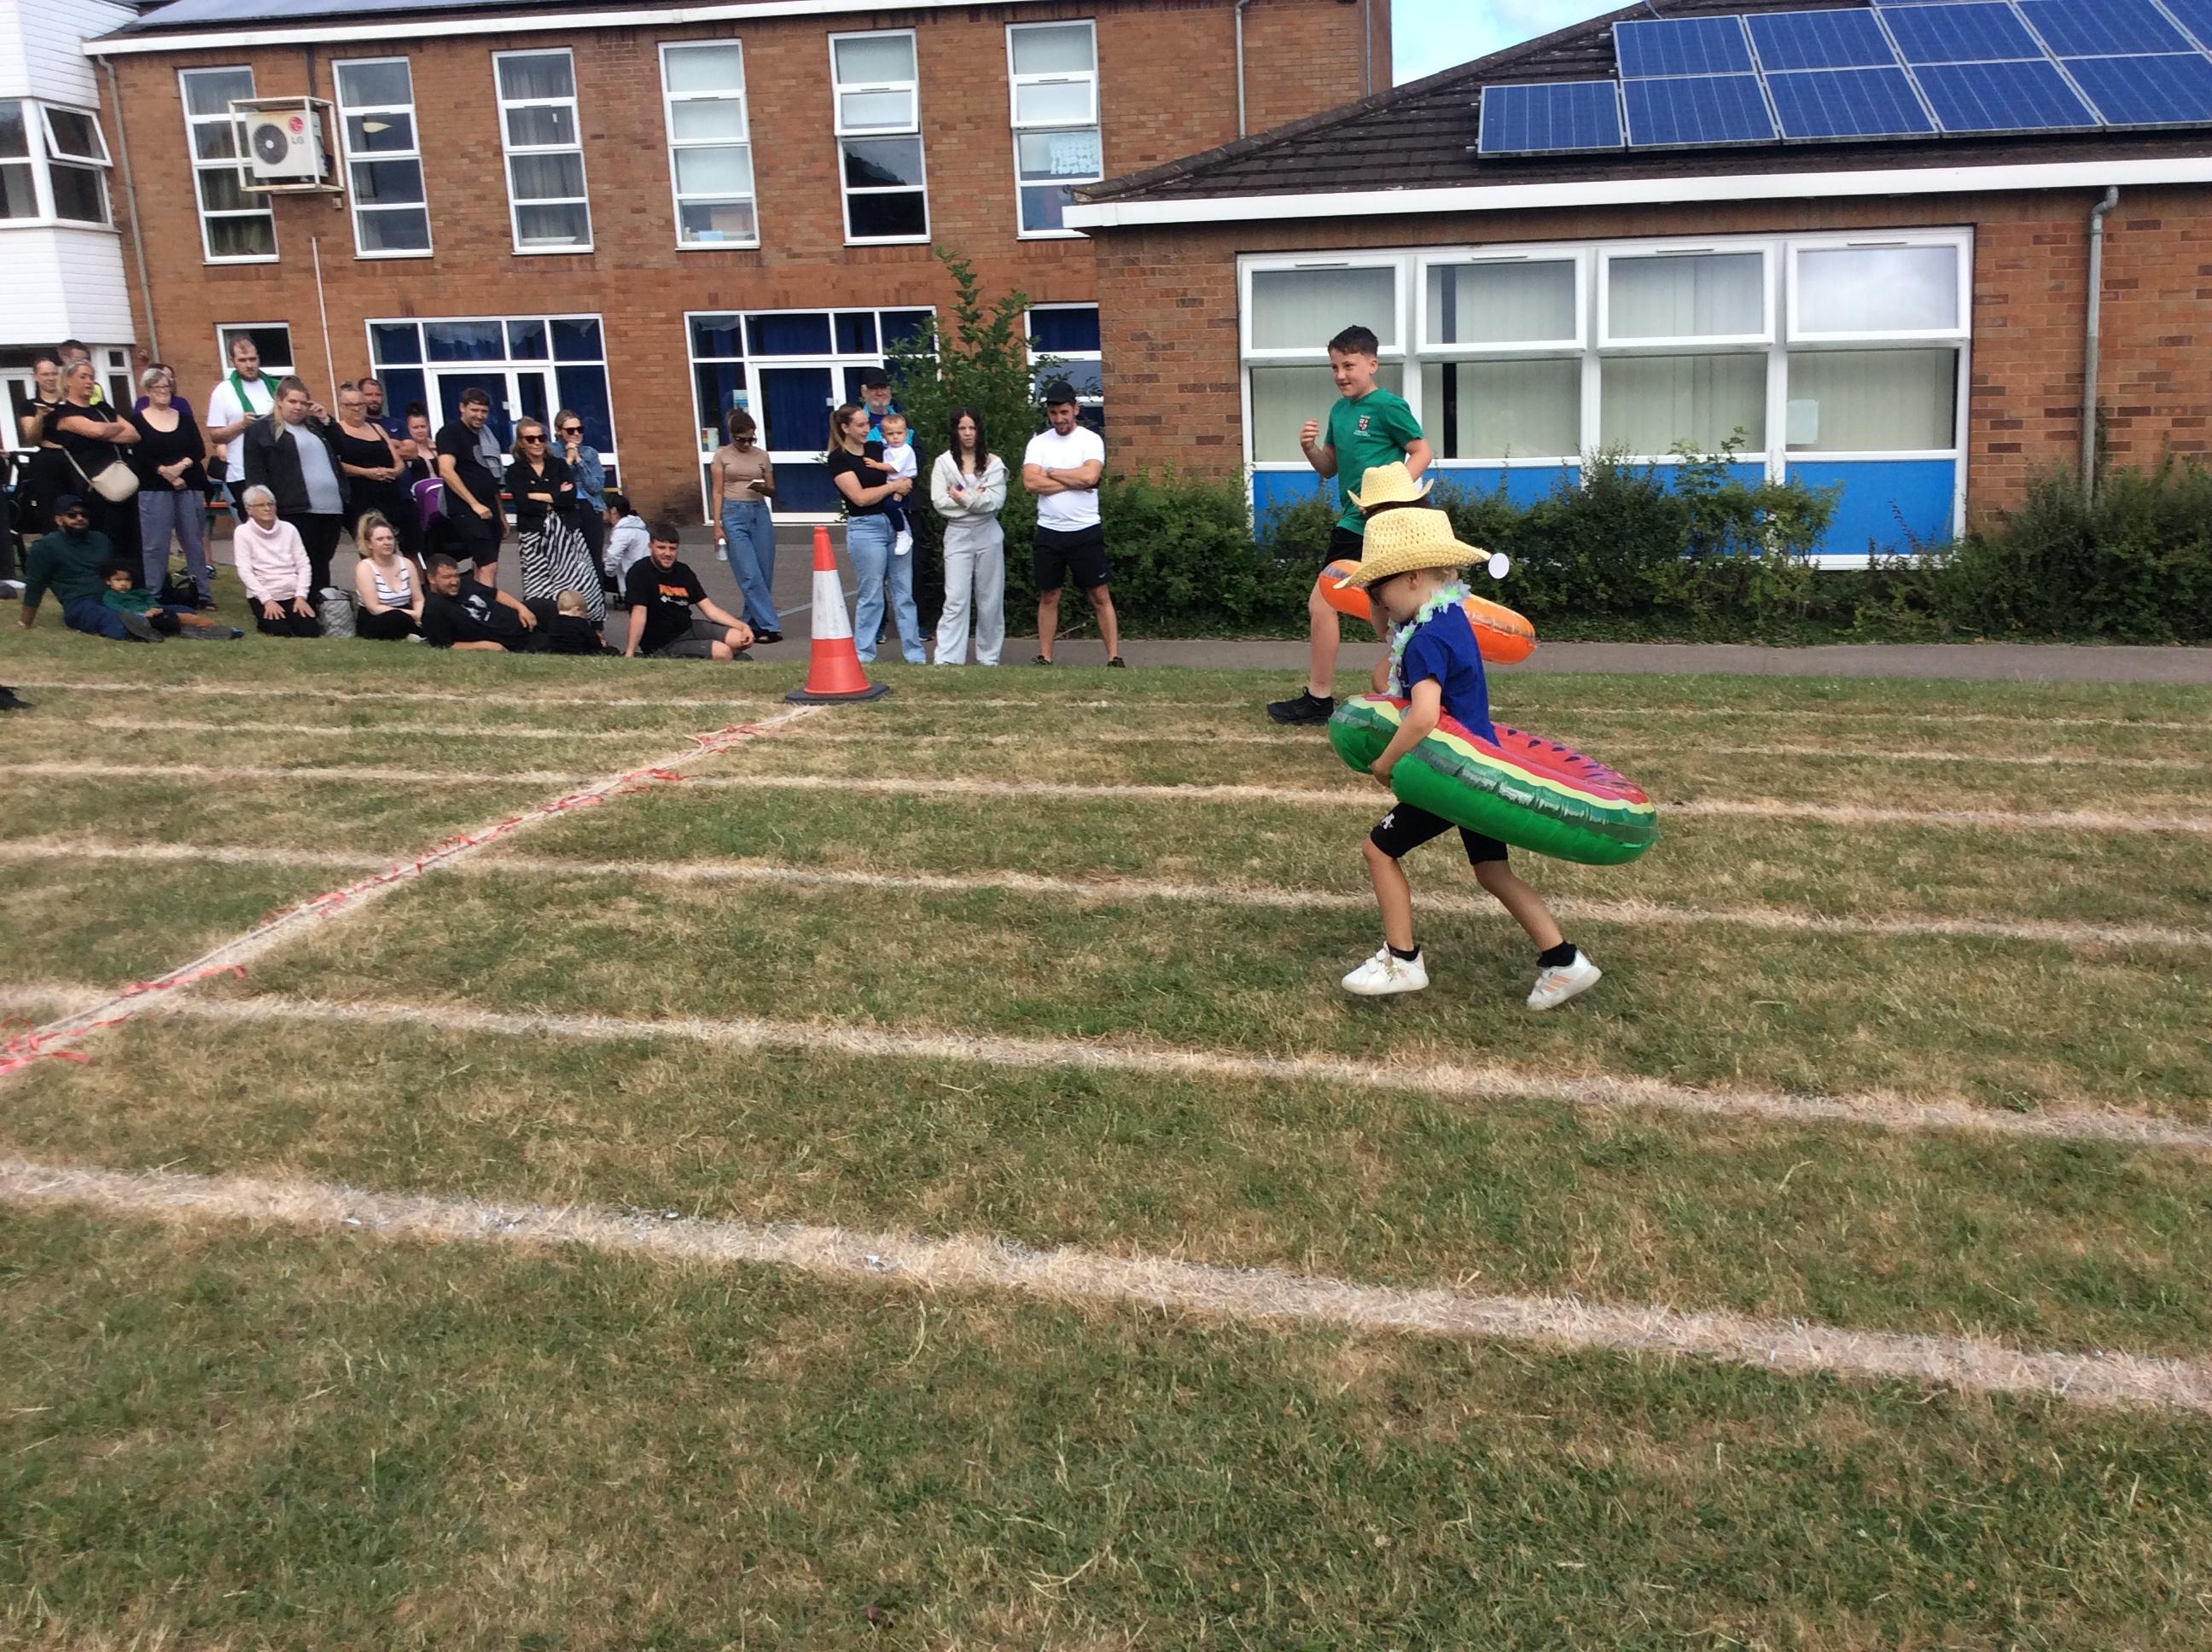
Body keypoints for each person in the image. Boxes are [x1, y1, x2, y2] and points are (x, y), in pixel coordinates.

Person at [1336, 497, 1599, 1010]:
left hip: (1451, 772)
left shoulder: (1424, 640)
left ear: (1413, 577)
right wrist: (1380, 605)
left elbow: (1423, 716)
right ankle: (1563, 960)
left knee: (1379, 850)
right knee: (1492, 871)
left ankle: (1402, 959)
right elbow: (1388, 650)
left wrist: (1385, 764)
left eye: (1380, 587)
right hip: (1483, 766)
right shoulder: (1447, 617)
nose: (1377, 600)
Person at [1268, 323, 1433, 726]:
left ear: (1372, 364)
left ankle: (1415, 688)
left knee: (1400, 609)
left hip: (1387, 523)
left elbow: (1422, 452)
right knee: (1331, 604)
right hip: (1352, 525)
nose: (1340, 375)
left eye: (1349, 366)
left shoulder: (1388, 406)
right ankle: (1324, 698)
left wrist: (1390, 493)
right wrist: (1308, 448)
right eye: (1334, 367)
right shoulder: (1338, 412)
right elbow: (1329, 468)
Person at [1022, 381, 1121, 667]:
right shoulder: (1038, 443)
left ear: (1075, 409)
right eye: (1053, 413)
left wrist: (1051, 473)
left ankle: (1114, 657)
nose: (1059, 418)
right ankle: (1045, 656)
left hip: (1085, 529)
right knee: (1049, 594)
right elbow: (1030, 483)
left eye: (1064, 412)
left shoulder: (1091, 440)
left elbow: (1090, 477)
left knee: (1099, 593)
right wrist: (1073, 481)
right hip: (1049, 531)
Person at [824, 402, 920, 665]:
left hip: (896, 521)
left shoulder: (878, 449)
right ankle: (863, 654)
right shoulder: (839, 458)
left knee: (904, 593)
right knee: (871, 594)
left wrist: (903, 484)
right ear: (845, 428)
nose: (867, 429)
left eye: (867, 423)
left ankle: (915, 655)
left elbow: (905, 473)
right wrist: (893, 488)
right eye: (861, 425)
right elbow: (859, 498)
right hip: (866, 527)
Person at [240, 377, 347, 594]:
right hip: (295, 507)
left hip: (331, 507)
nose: (299, 407)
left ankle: (323, 601)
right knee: (302, 559)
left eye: (303, 403)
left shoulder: (316, 426)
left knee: (323, 559)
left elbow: (343, 447)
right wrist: (263, 507)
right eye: (293, 401)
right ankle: (302, 601)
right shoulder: (261, 430)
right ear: (279, 401)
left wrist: (327, 420)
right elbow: (255, 472)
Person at [17, 495, 160, 640]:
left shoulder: (101, 540)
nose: (80, 518)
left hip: (114, 597)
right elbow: (35, 585)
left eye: (84, 514)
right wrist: (25, 622)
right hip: (80, 603)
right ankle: (147, 625)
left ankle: (153, 622)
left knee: (160, 610)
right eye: (72, 515)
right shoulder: (45, 546)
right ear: (59, 520)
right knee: (108, 617)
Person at [45, 360, 143, 572]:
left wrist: (104, 431)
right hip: (95, 490)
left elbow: (134, 434)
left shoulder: (102, 408)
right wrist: (111, 430)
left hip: (123, 482)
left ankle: (134, 584)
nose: (89, 381)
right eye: (83, 377)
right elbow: (96, 431)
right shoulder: (61, 414)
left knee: (132, 540)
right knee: (105, 541)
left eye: (91, 377)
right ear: (68, 381)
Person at [126, 365, 211, 604]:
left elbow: (198, 449)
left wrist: (181, 467)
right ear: (147, 391)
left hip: (188, 484)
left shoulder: (184, 418)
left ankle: (202, 594)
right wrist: (165, 472)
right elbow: (139, 454)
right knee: (155, 545)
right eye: (158, 387)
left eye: (167, 386)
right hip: (154, 488)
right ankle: (154, 594)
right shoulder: (137, 421)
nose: (164, 391)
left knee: (193, 542)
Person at [930, 407, 1006, 666]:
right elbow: (940, 502)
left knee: (990, 599)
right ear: (955, 431)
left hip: (988, 532)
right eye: (962, 428)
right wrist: (976, 498)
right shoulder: (944, 463)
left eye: (972, 428)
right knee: (955, 598)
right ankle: (948, 658)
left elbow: (995, 502)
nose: (967, 433)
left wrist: (963, 497)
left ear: (979, 430)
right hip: (957, 533)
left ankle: (989, 657)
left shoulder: (994, 464)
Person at [509, 417, 602, 623]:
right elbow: (523, 503)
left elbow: (569, 498)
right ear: (521, 443)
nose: (537, 443)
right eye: (530, 439)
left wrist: (537, 495)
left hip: (566, 532)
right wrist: (554, 496)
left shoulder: (558, 465)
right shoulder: (515, 471)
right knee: (538, 585)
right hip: (534, 536)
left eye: (541, 438)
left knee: (582, 580)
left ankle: (590, 626)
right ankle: (544, 627)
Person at [622, 521, 754, 660]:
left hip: (688, 628)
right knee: (722, 652)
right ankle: (724, 659)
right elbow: (638, 613)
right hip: (664, 642)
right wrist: (630, 653)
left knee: (741, 639)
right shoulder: (640, 571)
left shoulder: (683, 571)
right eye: (661, 548)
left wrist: (743, 626)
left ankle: (729, 659)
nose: (667, 553)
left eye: (672, 549)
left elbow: (710, 610)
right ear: (650, 547)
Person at [709, 408, 780, 641]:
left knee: (763, 571)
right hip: (732, 512)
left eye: (752, 439)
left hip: (759, 511)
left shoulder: (762, 456)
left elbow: (772, 489)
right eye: (742, 440)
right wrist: (717, 524)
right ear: (732, 435)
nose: (747, 444)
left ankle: (751, 623)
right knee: (748, 573)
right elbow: (717, 491)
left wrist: (763, 488)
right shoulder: (722, 455)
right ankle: (770, 626)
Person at [333, 382, 418, 561]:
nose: (357, 409)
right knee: (370, 548)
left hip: (390, 494)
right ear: (341, 407)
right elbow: (335, 464)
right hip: (360, 497)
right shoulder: (336, 431)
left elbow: (397, 459)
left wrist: (395, 471)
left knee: (406, 545)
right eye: (351, 405)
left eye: (360, 404)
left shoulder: (377, 428)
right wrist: (366, 472)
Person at [435, 387, 505, 587]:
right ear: (462, 407)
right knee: (488, 564)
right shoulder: (450, 433)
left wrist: (501, 515)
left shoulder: (487, 436)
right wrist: (474, 504)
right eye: (475, 410)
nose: (480, 416)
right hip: (466, 509)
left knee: (484, 564)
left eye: (484, 411)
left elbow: (492, 478)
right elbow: (446, 471)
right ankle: (487, 605)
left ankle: (479, 600)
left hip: (490, 507)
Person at [232, 484, 323, 637]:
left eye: (270, 504)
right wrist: (266, 600)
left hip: (292, 593)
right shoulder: (242, 532)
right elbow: (245, 571)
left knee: (309, 631)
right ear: (249, 509)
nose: (267, 508)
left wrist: (301, 596)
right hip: (264, 594)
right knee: (280, 631)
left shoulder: (289, 529)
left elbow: (303, 564)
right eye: (261, 505)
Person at [419, 553, 556, 651]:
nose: (454, 582)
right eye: (447, 577)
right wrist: (483, 646)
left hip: (520, 616)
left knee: (551, 606)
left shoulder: (465, 583)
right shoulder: (434, 609)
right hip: (515, 638)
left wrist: (521, 608)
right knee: (560, 637)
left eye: (456, 576)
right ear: (432, 579)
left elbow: (495, 594)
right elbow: (444, 645)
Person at [203, 333, 278, 510]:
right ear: (233, 361)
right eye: (243, 360)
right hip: (242, 471)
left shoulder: (275, 386)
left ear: (259, 358)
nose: (249, 365)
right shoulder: (223, 391)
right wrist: (242, 425)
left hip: (277, 467)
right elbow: (215, 436)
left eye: (253, 359)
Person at [97, 559, 237, 638]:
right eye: (118, 580)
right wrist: (141, 614)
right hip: (138, 618)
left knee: (187, 616)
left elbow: (151, 602)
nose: (123, 583)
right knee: (132, 620)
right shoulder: (110, 596)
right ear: (108, 581)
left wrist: (154, 609)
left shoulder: (140, 593)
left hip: (157, 614)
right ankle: (151, 633)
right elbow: (117, 608)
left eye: (127, 580)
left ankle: (218, 630)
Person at [15, 354, 67, 540]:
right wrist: (39, 417)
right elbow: (32, 439)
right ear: (35, 377)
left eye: (54, 373)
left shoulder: (69, 402)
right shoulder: (29, 406)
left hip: (75, 460)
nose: (51, 378)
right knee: (50, 510)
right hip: (48, 464)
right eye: (45, 374)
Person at [352, 510, 423, 640]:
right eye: (380, 539)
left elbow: (418, 599)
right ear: (369, 544)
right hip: (377, 618)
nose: (387, 542)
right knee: (396, 617)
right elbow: (373, 607)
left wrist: (419, 613)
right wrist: (413, 614)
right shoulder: (364, 568)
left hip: (408, 614)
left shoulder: (407, 564)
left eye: (390, 538)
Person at [554, 409, 608, 567]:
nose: (576, 433)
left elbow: (596, 486)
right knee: (568, 561)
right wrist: (568, 461)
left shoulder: (590, 453)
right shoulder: (551, 452)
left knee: (594, 559)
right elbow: (555, 483)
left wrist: (579, 460)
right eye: (571, 430)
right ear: (559, 431)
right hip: (564, 509)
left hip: (590, 508)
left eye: (580, 429)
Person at [870, 411, 918, 559]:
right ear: (884, 436)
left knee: (890, 507)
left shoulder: (905, 450)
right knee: (885, 506)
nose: (895, 437)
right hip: (891, 485)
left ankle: (902, 533)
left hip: (903, 486)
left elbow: (893, 468)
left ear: (906, 434)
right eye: (891, 434)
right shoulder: (888, 451)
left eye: (899, 433)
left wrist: (876, 465)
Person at [602, 490, 649, 599]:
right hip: (643, 574)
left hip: (632, 578)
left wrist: (609, 571)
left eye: (603, 508)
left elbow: (613, 555)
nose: (601, 511)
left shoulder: (623, 531)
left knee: (596, 571)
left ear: (613, 511)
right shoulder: (637, 527)